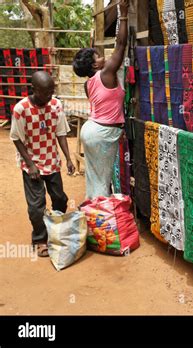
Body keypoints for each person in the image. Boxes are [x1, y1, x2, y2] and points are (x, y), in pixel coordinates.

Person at [10, 71, 75, 257]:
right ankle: (39, 238)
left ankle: (55, 231)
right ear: (34, 89)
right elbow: (16, 139)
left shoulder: (55, 105)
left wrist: (68, 158)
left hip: (52, 161)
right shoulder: (21, 109)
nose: (49, 96)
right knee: (36, 206)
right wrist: (30, 164)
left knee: (60, 199)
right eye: (45, 92)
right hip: (32, 165)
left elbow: (61, 133)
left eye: (51, 92)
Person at [72, 0, 129, 199]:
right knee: (102, 183)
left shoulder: (88, 84)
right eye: (98, 56)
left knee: (94, 179)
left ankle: (93, 217)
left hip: (91, 130)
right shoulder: (106, 73)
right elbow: (121, 45)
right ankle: (100, 223)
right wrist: (123, 13)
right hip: (103, 132)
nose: (102, 57)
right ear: (95, 66)